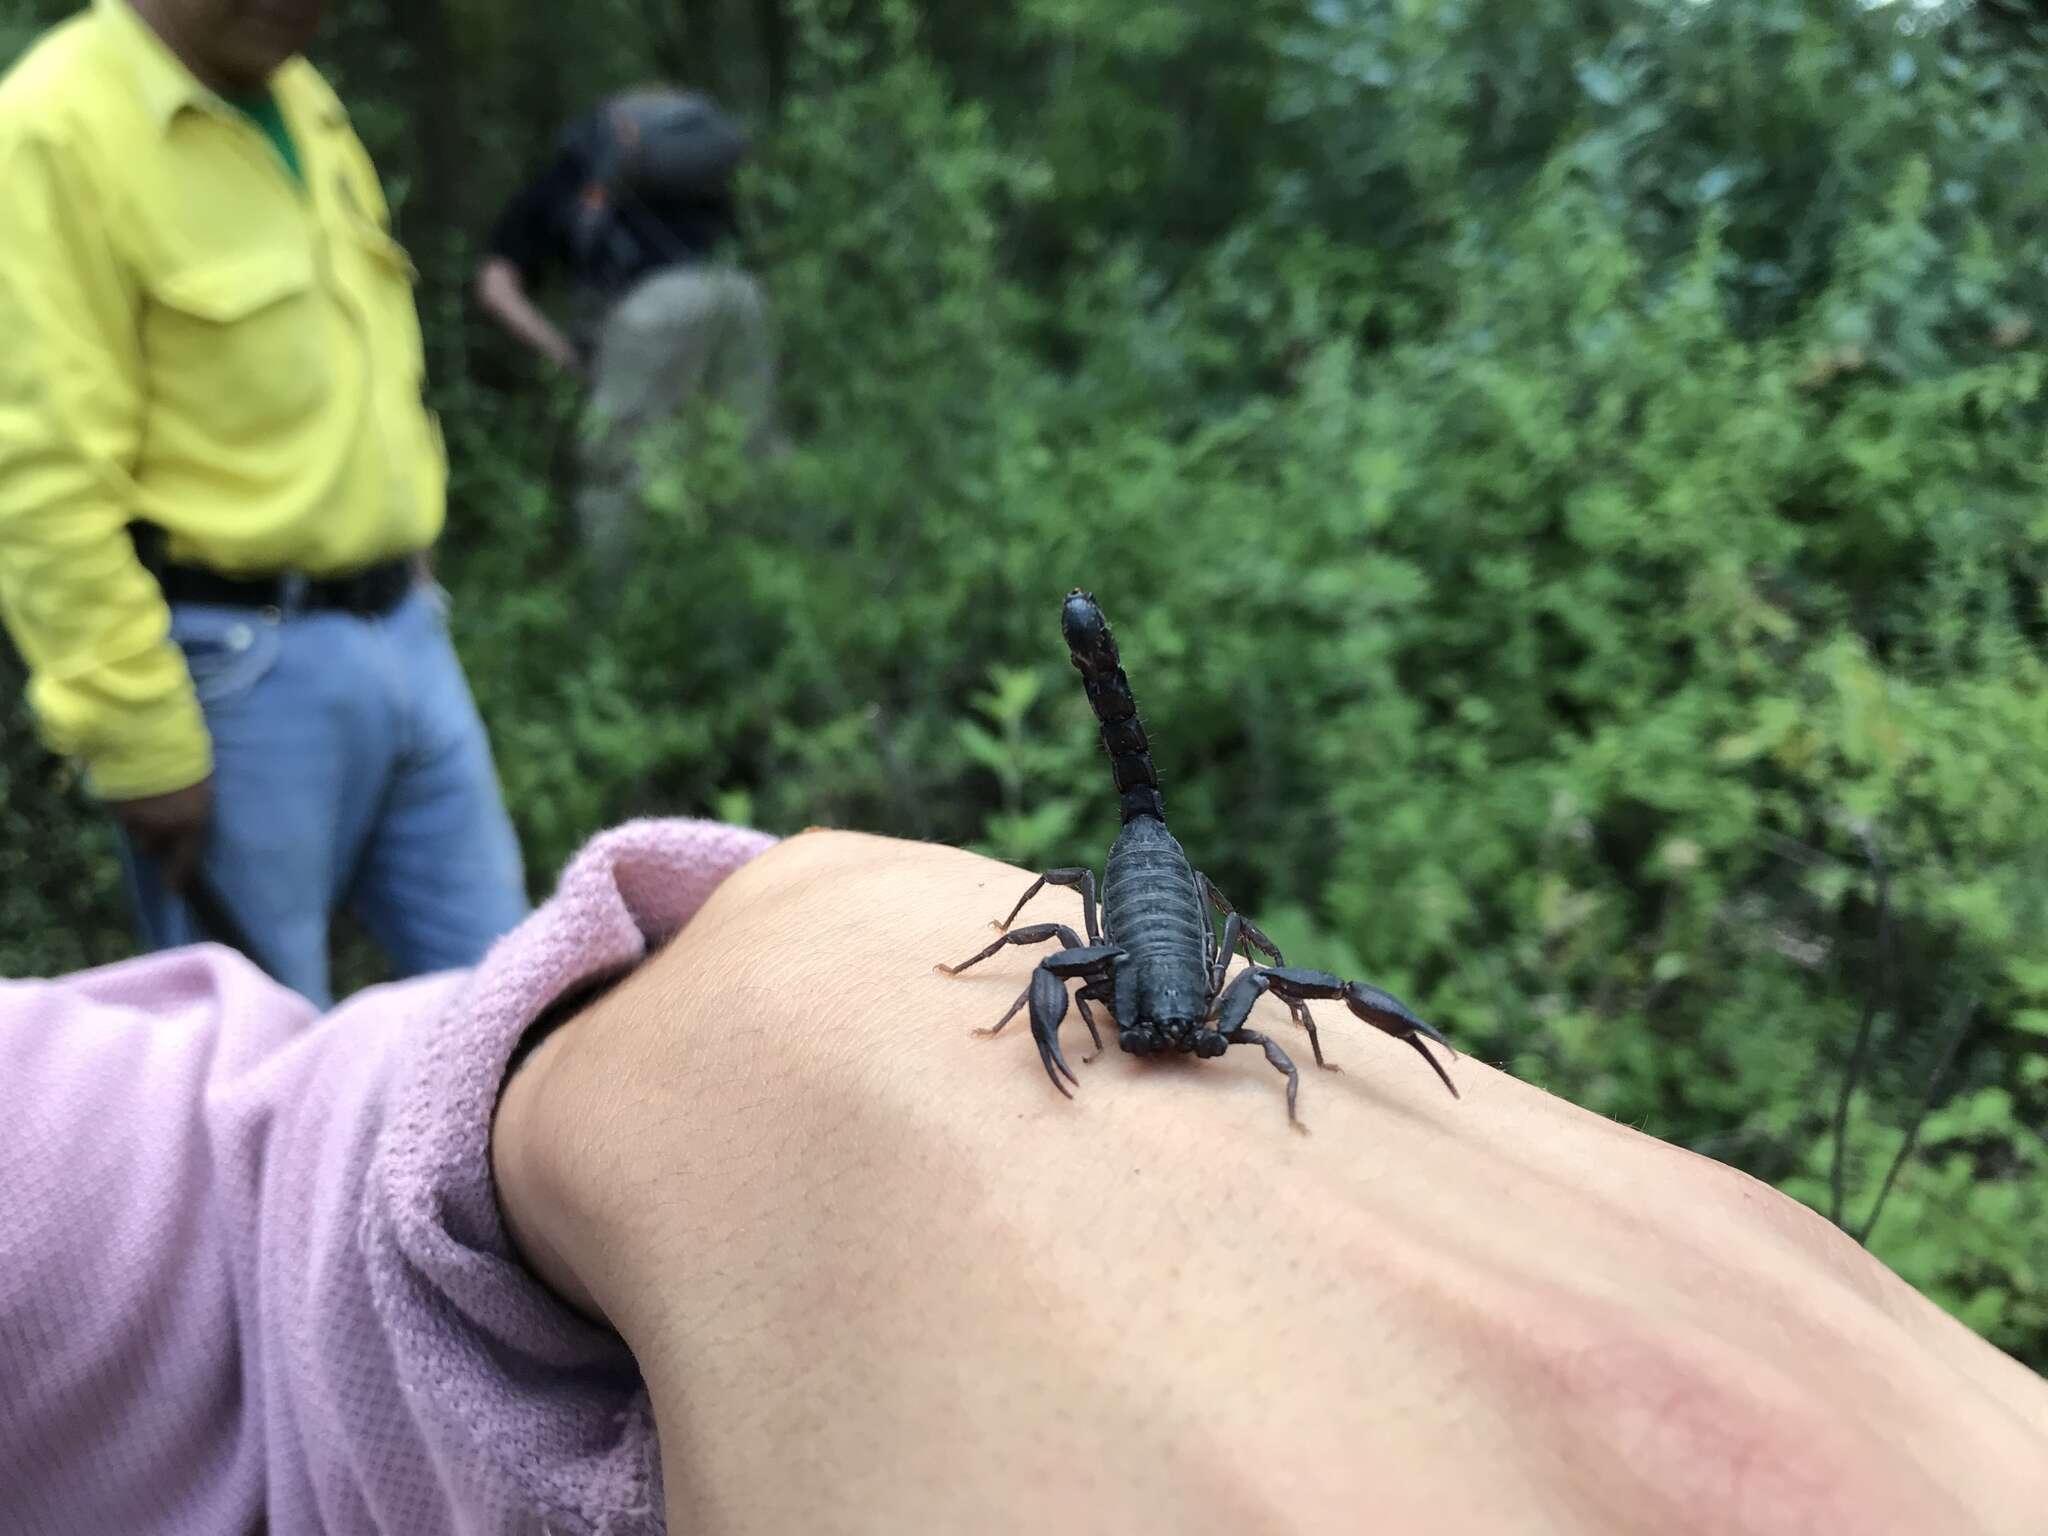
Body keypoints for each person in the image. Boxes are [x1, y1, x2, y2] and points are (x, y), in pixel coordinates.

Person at [2, 821, 2043, 1533]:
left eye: (1194, 1028)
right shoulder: (1104, 959)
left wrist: (754, 1087)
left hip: (1170, 912)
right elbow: (1060, 955)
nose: (1169, 1043)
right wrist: (886, 1091)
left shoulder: (1216, 997)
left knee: (1303, 996)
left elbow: (1270, 993)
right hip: (1125, 906)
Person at [0, 0, 530, 1007]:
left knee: (514, 1012)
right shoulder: (48, 130)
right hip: (232, 676)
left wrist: (411, 568)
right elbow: (35, 474)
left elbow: (369, 363)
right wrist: (136, 734)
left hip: (407, 638)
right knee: (263, 1067)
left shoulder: (301, 96)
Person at [475, 88, 782, 580]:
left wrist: (564, 356)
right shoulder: (692, 169)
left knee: (614, 476)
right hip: (740, 296)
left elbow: (495, 287)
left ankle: (623, 619)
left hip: (651, 312)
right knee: (743, 456)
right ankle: (760, 595)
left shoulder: (565, 173)